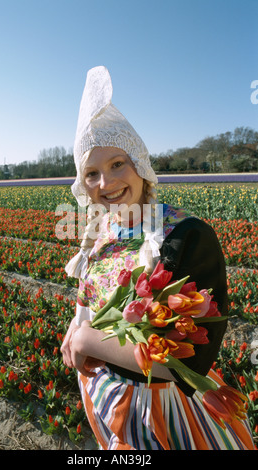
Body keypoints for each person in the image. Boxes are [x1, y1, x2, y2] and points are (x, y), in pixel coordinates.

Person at [61, 66, 255, 450]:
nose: (107, 183)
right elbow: (89, 301)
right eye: (92, 173)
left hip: (166, 416)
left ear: (141, 162)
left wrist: (87, 339)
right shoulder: (103, 235)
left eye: (118, 164)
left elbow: (190, 363)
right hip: (112, 408)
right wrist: (75, 325)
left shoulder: (187, 236)